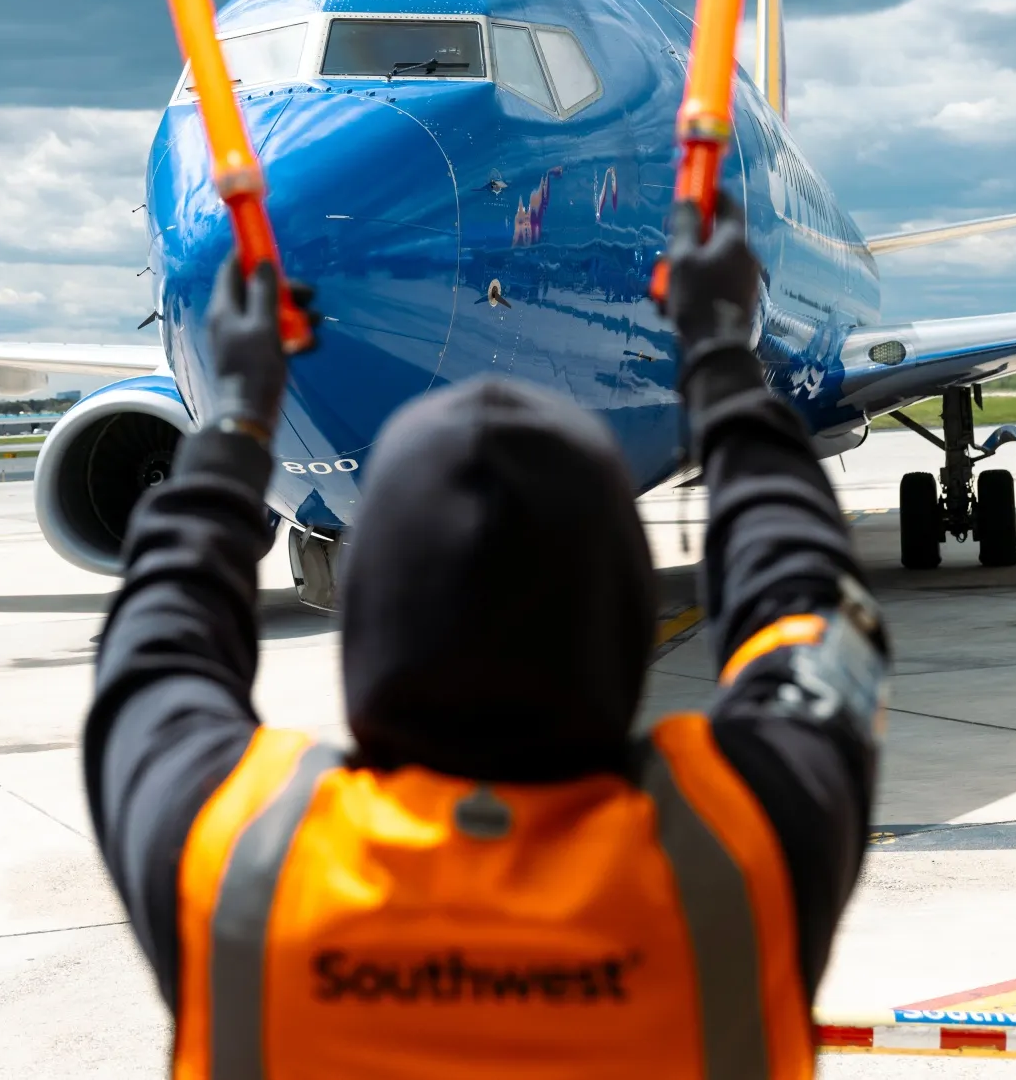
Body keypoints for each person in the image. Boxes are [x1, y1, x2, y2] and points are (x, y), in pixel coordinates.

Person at [86, 195, 888, 1078]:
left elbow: (154, 652)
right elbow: (806, 598)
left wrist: (237, 418)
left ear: (365, 624)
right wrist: (727, 370)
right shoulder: (740, 852)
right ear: (624, 620)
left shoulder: (239, 867)